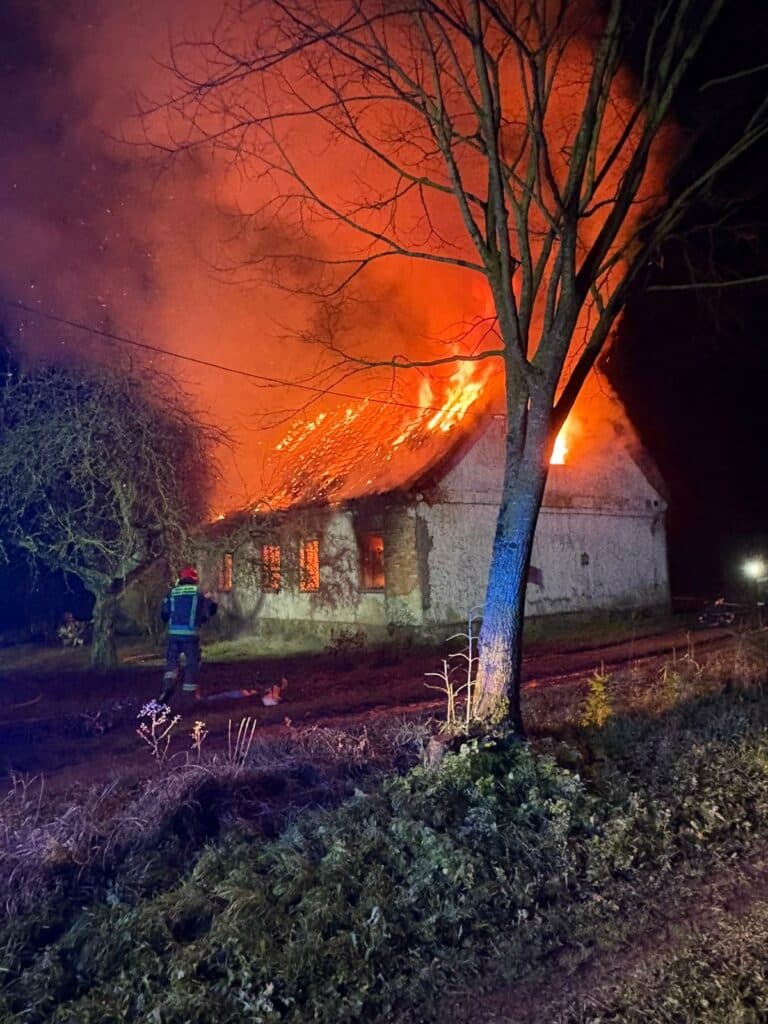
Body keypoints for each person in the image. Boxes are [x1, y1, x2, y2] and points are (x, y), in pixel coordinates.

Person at [159, 566, 217, 704]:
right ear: (194, 579)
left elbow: (164, 614)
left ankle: (168, 686)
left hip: (173, 634)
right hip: (190, 635)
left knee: (172, 661)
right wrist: (211, 602)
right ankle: (189, 694)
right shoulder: (198, 593)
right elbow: (209, 610)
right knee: (192, 663)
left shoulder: (172, 593)